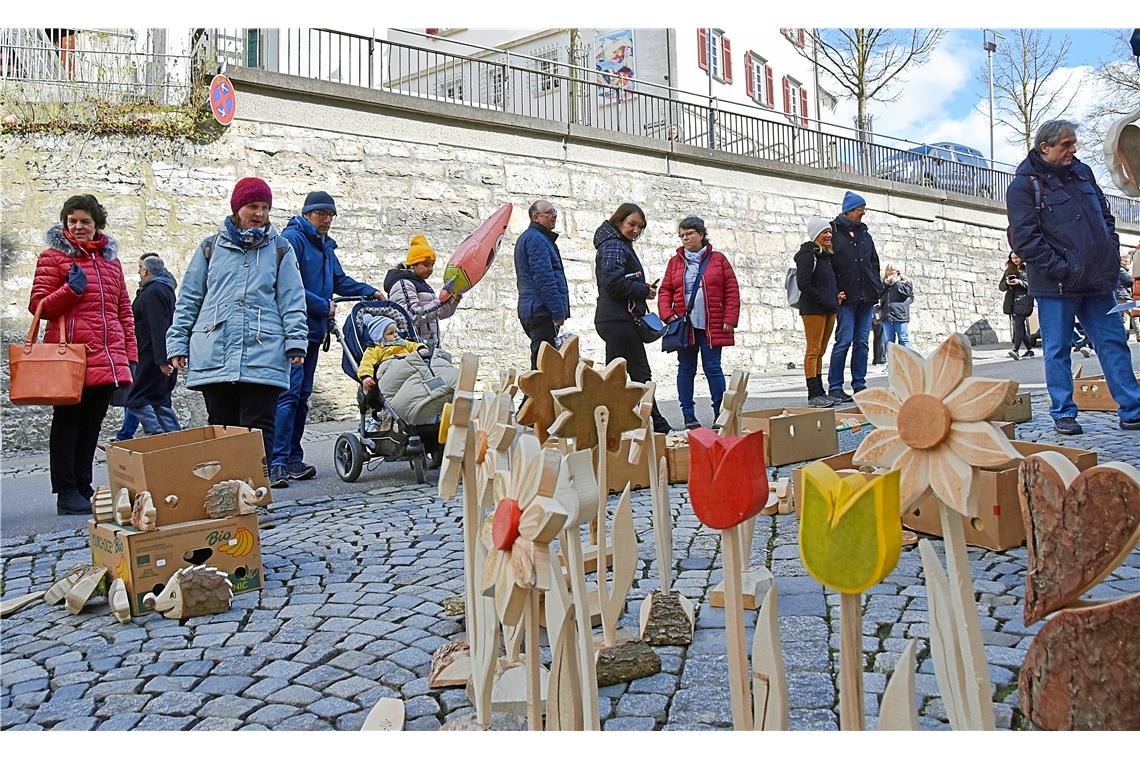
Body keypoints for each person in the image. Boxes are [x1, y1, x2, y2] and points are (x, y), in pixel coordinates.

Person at [1006, 119, 1140, 434]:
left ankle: (1132, 408)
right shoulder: (1024, 186)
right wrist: (1063, 269)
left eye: (1073, 143)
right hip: (1058, 285)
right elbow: (1025, 240)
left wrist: (1109, 252)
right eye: (1066, 145)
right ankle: (1063, 413)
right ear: (1045, 147)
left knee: (1113, 343)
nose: (1073, 149)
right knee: (1057, 348)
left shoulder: (1083, 173)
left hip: (1096, 280)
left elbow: (1105, 216)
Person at [167, 177, 309, 464]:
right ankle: (227, 494)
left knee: (258, 427)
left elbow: (292, 300)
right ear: (237, 207)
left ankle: (255, 494)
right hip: (215, 348)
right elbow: (190, 299)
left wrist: (296, 342)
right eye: (253, 206)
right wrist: (178, 343)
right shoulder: (209, 248)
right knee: (222, 426)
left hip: (264, 349)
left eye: (265, 208)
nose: (259, 214)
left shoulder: (281, 250)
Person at [30, 194, 137, 515]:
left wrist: (129, 353)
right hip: (71, 357)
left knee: (92, 424)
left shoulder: (110, 262)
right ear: (65, 223)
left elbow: (123, 311)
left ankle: (83, 485)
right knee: (67, 423)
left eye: (85, 222)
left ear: (96, 226)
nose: (78, 226)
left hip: (107, 356)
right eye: (72, 221)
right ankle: (65, 491)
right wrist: (70, 290)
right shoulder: (53, 258)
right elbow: (39, 307)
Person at [270, 191, 382, 488]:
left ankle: (293, 457)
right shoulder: (293, 240)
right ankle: (276, 461)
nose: (327, 219)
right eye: (321, 213)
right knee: (288, 395)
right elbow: (286, 285)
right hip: (293, 329)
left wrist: (368, 290)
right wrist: (322, 305)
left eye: (330, 214)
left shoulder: (324, 247)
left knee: (302, 397)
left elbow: (338, 281)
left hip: (313, 332)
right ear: (307, 213)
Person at [594, 202, 671, 433]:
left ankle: (611, 423)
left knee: (615, 376)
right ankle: (655, 424)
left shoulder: (616, 244)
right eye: (632, 225)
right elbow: (613, 282)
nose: (636, 230)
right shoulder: (615, 246)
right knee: (638, 373)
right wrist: (643, 291)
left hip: (614, 318)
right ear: (619, 221)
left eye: (640, 227)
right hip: (619, 320)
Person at [658, 215, 740, 427]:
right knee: (686, 368)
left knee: (713, 368)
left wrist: (730, 318)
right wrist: (667, 314)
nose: (685, 238)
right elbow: (665, 290)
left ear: (701, 234)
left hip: (712, 324)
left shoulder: (719, 259)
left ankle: (720, 413)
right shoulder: (675, 262)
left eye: (690, 234)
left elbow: (731, 290)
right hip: (686, 326)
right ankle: (688, 414)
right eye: (682, 235)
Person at [115, 254, 180, 440]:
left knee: (135, 398)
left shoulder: (153, 292)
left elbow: (158, 327)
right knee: (160, 400)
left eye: (139, 268)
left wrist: (161, 359)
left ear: (146, 271)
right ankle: (175, 438)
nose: (138, 271)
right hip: (156, 354)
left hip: (151, 356)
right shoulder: (163, 289)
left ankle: (156, 433)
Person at [827, 191, 883, 403]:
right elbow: (828, 265)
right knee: (844, 340)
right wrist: (835, 291)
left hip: (867, 295)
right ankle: (835, 386)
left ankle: (859, 384)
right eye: (860, 210)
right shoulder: (833, 232)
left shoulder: (865, 235)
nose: (863, 214)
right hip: (845, 297)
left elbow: (873, 262)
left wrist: (876, 285)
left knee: (862, 342)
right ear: (849, 210)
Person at [515, 200, 570, 369]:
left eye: (554, 212)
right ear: (536, 217)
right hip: (541, 310)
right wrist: (557, 312)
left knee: (543, 363)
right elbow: (545, 279)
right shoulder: (537, 239)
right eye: (549, 212)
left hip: (533, 308)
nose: (554, 215)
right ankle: (531, 396)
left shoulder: (533, 238)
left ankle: (533, 396)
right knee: (543, 366)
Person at [793, 217, 840, 407]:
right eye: (824, 232)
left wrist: (835, 297)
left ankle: (821, 391)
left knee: (820, 351)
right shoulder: (807, 255)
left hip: (829, 308)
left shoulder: (826, 256)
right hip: (814, 309)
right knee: (813, 350)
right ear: (815, 235)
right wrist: (823, 299)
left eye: (829, 232)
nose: (828, 235)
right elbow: (804, 284)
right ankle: (813, 394)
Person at [384, 234, 460, 347]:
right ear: (413, 264)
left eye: (432, 265)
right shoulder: (403, 283)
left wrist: (454, 299)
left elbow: (440, 314)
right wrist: (440, 301)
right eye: (426, 265)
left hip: (430, 347)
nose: (431, 269)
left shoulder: (423, 284)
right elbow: (411, 315)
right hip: (413, 349)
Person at [357, 315, 430, 431]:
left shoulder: (403, 343)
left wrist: (421, 348)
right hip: (392, 371)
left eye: (396, 331)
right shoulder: (376, 349)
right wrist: (366, 377)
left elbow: (414, 345)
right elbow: (367, 363)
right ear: (379, 336)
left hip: (410, 368)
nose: (395, 335)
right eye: (390, 333)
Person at [1000, 252, 1035, 360]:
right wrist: (1007, 283)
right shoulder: (1008, 270)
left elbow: (1032, 285)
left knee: (1018, 325)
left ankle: (1016, 350)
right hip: (1011, 302)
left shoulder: (1027, 269)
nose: (1015, 260)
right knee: (1020, 327)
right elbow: (1001, 287)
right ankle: (1029, 350)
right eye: (1013, 258)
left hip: (1024, 301)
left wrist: (1019, 282)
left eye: (1017, 257)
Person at [879, 264, 914, 349]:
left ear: (897, 272)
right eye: (888, 270)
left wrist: (896, 283)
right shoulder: (884, 284)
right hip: (887, 317)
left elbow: (907, 293)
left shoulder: (905, 282)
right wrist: (886, 285)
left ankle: (907, 361)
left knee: (903, 339)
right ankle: (892, 361)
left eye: (892, 270)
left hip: (900, 316)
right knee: (889, 342)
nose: (890, 272)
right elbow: (878, 295)